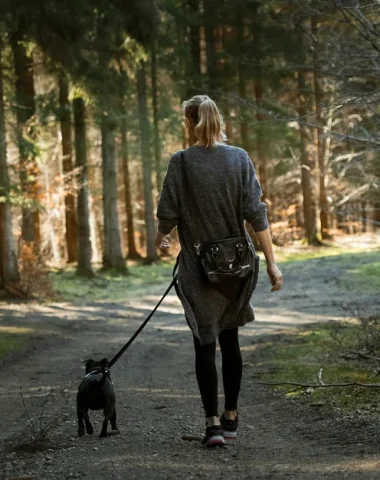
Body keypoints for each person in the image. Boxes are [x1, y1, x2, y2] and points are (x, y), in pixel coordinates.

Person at [156, 95, 283, 447]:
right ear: (218, 120)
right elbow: (256, 213)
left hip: (198, 267)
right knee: (231, 338)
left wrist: (161, 239)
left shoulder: (180, 162)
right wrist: (271, 261)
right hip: (239, 265)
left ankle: (212, 425)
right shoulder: (239, 159)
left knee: (204, 342)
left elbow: (167, 213)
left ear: (188, 121)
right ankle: (231, 417)